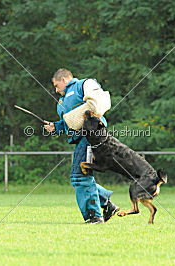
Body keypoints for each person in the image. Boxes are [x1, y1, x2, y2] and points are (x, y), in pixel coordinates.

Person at [44, 68, 119, 224]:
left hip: (92, 135)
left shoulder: (82, 85)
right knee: (78, 177)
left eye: (57, 86)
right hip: (81, 138)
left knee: (80, 176)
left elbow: (97, 103)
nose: (56, 90)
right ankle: (106, 204)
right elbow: (69, 124)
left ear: (64, 80)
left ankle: (95, 216)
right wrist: (55, 127)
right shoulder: (62, 103)